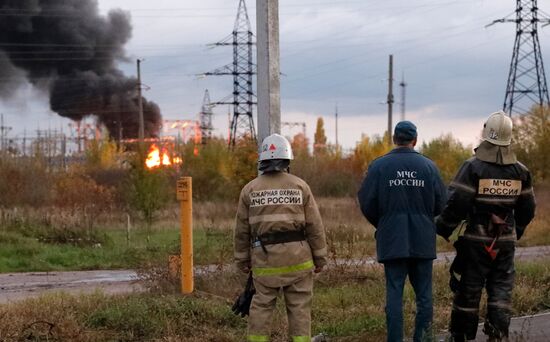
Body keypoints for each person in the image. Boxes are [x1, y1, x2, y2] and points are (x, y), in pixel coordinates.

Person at [436, 111, 536, 342]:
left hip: (476, 240)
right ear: (509, 137)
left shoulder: (473, 167)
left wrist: (443, 227)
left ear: (486, 135)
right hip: (505, 241)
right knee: (501, 288)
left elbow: (457, 203)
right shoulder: (521, 171)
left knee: (469, 288)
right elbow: (528, 209)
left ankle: (460, 336)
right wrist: (515, 231)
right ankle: (498, 334)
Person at [357, 121, 447, 342]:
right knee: (424, 296)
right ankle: (423, 338)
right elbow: (441, 203)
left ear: (394, 139)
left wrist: (384, 223)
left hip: (392, 239)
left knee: (394, 294)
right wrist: (425, 219)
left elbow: (366, 202)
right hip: (423, 240)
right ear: (415, 140)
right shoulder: (429, 167)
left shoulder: (379, 167)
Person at [233, 133, 328, 342]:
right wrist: (320, 258)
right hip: (298, 262)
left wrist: (242, 260)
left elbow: (241, 230)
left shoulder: (249, 189)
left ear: (262, 161)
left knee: (261, 308)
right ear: (287, 160)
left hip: (265, 262)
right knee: (299, 308)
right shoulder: (300, 186)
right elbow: (314, 225)